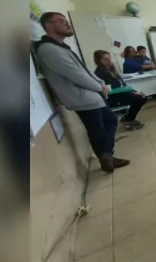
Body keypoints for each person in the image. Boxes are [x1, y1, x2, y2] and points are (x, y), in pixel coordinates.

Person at [35, 12, 130, 173]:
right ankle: (106, 157)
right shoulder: (49, 50)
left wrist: (101, 84)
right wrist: (101, 88)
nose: (67, 23)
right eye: (61, 21)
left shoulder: (62, 47)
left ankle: (106, 155)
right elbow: (77, 75)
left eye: (66, 21)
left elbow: (84, 70)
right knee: (98, 129)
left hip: (91, 96)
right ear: (49, 26)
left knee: (110, 121)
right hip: (81, 98)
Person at [93, 50, 146, 130]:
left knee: (141, 96)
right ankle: (129, 120)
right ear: (99, 61)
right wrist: (133, 93)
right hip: (113, 97)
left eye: (109, 58)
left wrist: (134, 92)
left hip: (121, 93)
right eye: (105, 59)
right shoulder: (100, 72)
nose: (109, 60)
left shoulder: (110, 69)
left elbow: (122, 83)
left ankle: (128, 117)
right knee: (139, 98)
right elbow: (113, 87)